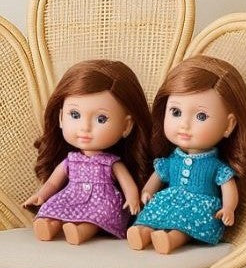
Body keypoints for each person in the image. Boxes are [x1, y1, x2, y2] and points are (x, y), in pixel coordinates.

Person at [128, 55, 246, 254]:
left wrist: (228, 208)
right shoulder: (171, 160)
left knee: (186, 226)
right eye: (176, 112)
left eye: (201, 116)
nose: (184, 125)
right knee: (152, 215)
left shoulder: (216, 166)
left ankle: (172, 240)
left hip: (200, 206)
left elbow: (228, 188)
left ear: (228, 125)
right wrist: (147, 192)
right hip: (169, 200)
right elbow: (158, 177)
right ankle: (142, 232)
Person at [22, 59, 152, 244]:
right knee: (54, 206)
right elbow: (52, 183)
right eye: (74, 115)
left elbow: (128, 185)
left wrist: (132, 199)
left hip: (103, 201)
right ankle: (48, 224)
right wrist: (41, 195)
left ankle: (82, 231)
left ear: (126, 126)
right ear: (60, 118)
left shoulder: (112, 163)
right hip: (72, 195)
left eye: (101, 119)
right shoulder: (70, 161)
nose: (84, 127)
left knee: (98, 215)